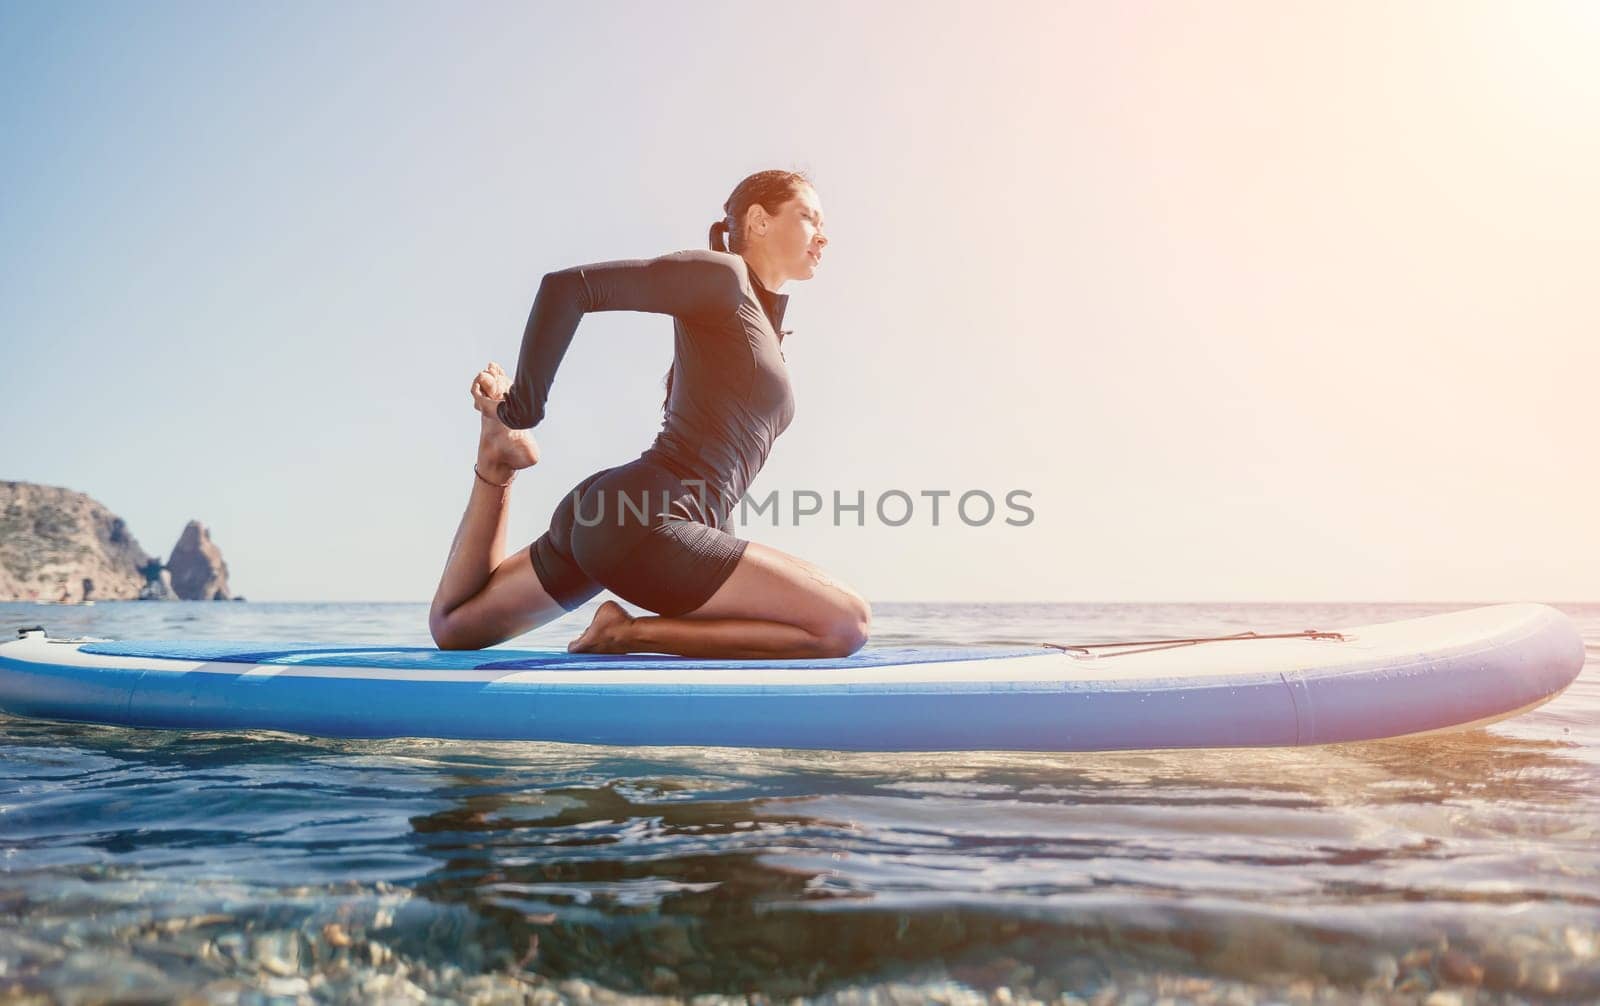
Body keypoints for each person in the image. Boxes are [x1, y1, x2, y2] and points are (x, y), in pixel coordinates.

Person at [428, 170, 871, 659]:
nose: (823, 235)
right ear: (759, 221)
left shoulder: (758, 322)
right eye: (809, 217)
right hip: (645, 521)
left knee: (456, 628)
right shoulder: (722, 278)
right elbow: (566, 288)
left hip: (622, 516)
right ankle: (625, 633)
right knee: (846, 623)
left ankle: (496, 461)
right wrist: (522, 409)